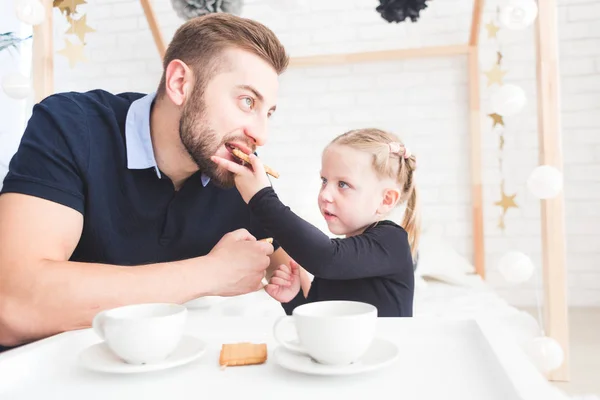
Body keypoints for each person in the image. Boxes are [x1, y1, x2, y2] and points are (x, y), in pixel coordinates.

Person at [0, 13, 293, 349]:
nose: (261, 134)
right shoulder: (71, 128)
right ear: (180, 82)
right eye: (247, 101)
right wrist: (211, 273)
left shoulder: (237, 176)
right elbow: (13, 305)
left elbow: (294, 275)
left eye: (267, 112)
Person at [211, 128, 420, 317]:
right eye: (324, 181)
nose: (325, 194)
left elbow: (327, 258)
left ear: (386, 200)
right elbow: (318, 320)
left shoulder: (392, 242)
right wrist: (294, 299)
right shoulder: (336, 262)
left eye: (343, 184)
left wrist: (262, 198)